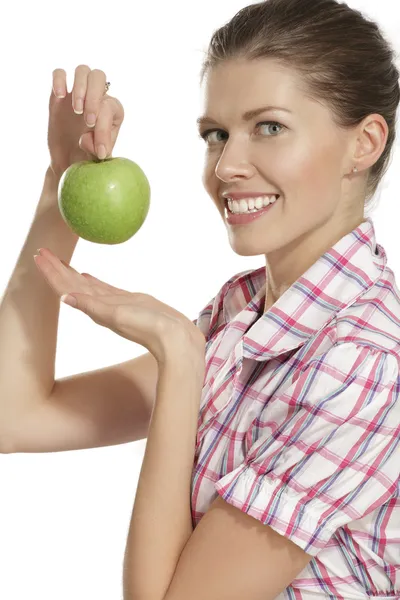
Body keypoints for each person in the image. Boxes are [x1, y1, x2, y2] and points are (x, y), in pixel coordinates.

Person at [0, 0, 399, 597]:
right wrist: (62, 185)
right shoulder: (243, 313)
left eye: (269, 127)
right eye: (216, 134)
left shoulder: (361, 363)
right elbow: (14, 416)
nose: (228, 165)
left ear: (364, 143)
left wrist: (182, 361)